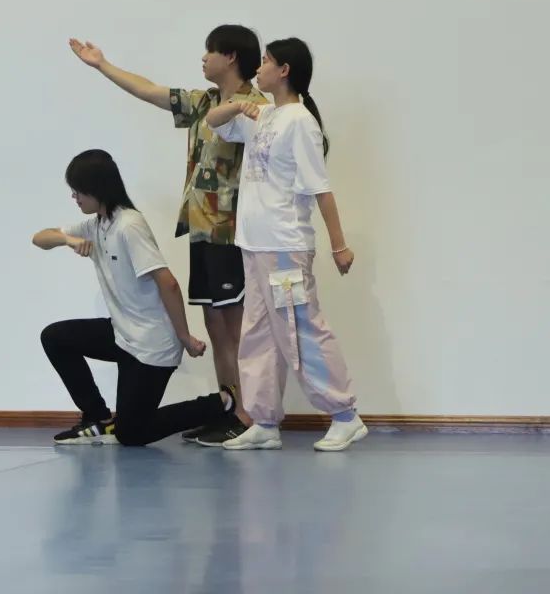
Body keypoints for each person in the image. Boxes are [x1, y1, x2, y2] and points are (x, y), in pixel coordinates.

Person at [68, 27, 268, 446]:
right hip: (202, 230)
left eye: (210, 51)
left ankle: (248, 415)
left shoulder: (254, 107)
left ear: (231, 57)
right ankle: (227, 408)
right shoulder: (204, 102)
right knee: (216, 325)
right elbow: (148, 90)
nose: (203, 58)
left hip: (231, 232)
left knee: (235, 328)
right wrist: (102, 65)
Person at [204, 37, 366, 452]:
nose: (258, 69)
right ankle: (264, 421)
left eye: (266, 62)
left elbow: (320, 189)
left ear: (285, 70)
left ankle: (345, 416)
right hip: (254, 245)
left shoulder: (300, 122)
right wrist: (238, 106)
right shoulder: (265, 114)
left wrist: (339, 246)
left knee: (301, 330)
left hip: (285, 248)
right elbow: (213, 120)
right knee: (257, 334)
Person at [33, 149, 236, 446]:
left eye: (78, 191)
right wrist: (67, 239)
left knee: (132, 433)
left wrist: (184, 337)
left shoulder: (129, 225)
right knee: (55, 337)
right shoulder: (97, 224)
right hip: (123, 335)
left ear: (97, 189)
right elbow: (39, 238)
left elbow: (168, 283)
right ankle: (99, 418)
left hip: (151, 345)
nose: (74, 197)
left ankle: (219, 403)